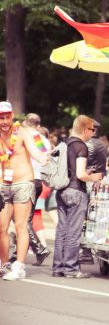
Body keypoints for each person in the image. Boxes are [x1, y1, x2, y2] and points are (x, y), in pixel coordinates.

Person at [0, 102, 48, 280]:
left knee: (21, 226)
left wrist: (42, 158)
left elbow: (35, 151)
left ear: (12, 116)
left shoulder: (23, 133)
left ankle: (19, 266)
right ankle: (5, 265)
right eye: (1, 118)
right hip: (3, 185)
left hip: (23, 183)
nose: (4, 121)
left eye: (7, 117)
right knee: (2, 227)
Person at [52, 115, 102, 278]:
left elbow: (70, 169)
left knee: (62, 230)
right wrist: (93, 177)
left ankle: (58, 267)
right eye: (92, 130)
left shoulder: (65, 144)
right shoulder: (81, 146)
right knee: (73, 231)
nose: (93, 133)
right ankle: (71, 268)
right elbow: (80, 174)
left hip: (62, 191)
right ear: (85, 129)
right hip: (76, 191)